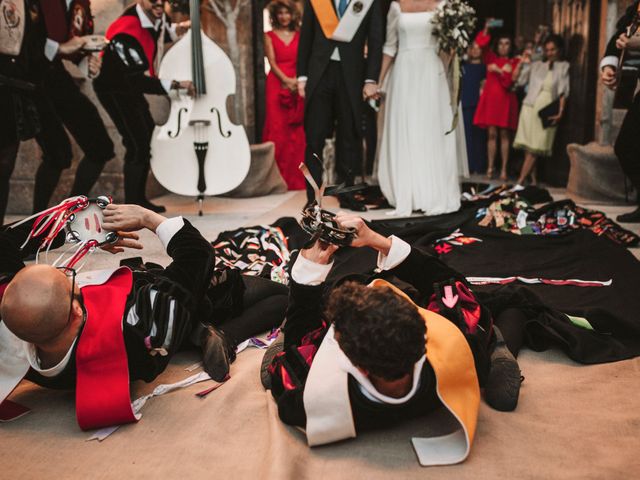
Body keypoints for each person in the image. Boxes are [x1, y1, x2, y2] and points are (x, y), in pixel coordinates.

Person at [262, 214, 524, 461]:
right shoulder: (461, 352)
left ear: (354, 361)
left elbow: (297, 350)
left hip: (345, 290)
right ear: (424, 337)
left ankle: (283, 331)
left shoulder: (309, 402)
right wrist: (379, 241)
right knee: (484, 312)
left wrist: (306, 275)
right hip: (425, 315)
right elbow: (450, 283)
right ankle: (496, 345)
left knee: (289, 345)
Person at [0, 202, 288, 417]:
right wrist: (148, 218)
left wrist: (83, 228)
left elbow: (4, 243)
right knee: (283, 297)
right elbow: (197, 256)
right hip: (169, 305)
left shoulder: (19, 320)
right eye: (68, 278)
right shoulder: (144, 324)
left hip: (156, 312)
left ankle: (194, 332)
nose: (71, 272)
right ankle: (221, 334)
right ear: (77, 311)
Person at [0, 0, 114, 221]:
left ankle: (67, 216)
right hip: (29, 79)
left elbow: (74, 42)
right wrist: (60, 49)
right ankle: (38, 223)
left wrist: (87, 63)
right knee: (56, 154)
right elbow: (30, 42)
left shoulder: (81, 4)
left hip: (54, 74)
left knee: (100, 146)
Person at [93, 0, 195, 214]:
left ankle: (139, 199)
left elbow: (160, 34)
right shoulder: (125, 31)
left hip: (129, 86)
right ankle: (132, 205)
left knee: (146, 133)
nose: (159, 3)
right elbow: (136, 80)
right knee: (136, 143)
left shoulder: (154, 17)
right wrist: (176, 84)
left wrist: (181, 28)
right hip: (114, 88)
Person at [297, 0, 384, 211]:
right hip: (319, 74)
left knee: (349, 137)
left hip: (352, 76)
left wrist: (371, 79)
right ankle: (313, 198)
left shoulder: (367, 2)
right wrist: (302, 76)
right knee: (315, 137)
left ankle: (346, 196)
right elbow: (306, 37)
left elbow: (375, 41)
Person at [376, 0, 461, 217]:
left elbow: (449, 45)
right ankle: (409, 194)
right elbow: (389, 46)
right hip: (404, 72)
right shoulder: (396, 7)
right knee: (407, 130)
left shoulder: (443, 5)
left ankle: (432, 193)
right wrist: (379, 81)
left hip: (431, 71)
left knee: (430, 131)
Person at [601, 0, 640, 223]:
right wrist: (609, 66)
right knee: (626, 147)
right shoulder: (634, 11)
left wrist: (636, 44)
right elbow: (617, 39)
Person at [513, 35, 569, 186]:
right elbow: (519, 81)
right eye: (547, 50)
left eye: (553, 49)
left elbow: (563, 92)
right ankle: (533, 181)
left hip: (547, 110)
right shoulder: (537, 65)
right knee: (528, 148)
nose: (550, 52)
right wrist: (523, 63)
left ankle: (519, 182)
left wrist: (560, 111)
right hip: (529, 108)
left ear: (559, 50)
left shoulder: (563, 66)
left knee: (535, 149)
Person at [262, 0, 306, 190]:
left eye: (286, 13)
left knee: (297, 131)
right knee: (277, 129)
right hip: (276, 83)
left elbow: (305, 59)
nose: (284, 17)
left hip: (298, 83)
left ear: (293, 14)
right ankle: (277, 180)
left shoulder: (300, 34)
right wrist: (287, 81)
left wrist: (297, 81)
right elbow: (271, 62)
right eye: (279, 13)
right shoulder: (268, 35)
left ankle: (298, 178)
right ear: (275, 16)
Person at [473, 22, 520, 181]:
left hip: (505, 101)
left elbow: (508, 83)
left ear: (511, 46)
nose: (503, 47)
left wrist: (499, 70)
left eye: (507, 44)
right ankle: (490, 167)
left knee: (505, 135)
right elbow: (481, 44)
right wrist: (486, 28)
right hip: (491, 101)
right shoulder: (490, 58)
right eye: (500, 43)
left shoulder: (514, 62)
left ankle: (504, 169)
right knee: (491, 134)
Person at [462, 40, 488, 175]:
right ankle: (469, 165)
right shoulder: (463, 67)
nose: (476, 51)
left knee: (480, 136)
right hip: (466, 103)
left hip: (480, 105)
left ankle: (480, 166)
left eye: (479, 48)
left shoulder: (485, 68)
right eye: (473, 48)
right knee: (467, 137)